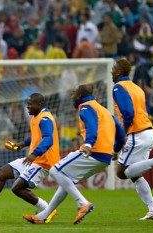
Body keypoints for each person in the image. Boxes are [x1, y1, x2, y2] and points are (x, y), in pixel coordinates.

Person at [22, 84, 125, 224]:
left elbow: (91, 127)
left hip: (92, 151)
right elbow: (120, 133)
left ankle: (82, 203)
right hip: (105, 156)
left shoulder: (86, 107)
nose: (72, 97)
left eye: (74, 94)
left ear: (80, 96)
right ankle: (43, 215)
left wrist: (89, 144)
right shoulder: (105, 110)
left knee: (54, 170)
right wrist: (115, 150)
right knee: (66, 180)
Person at [0, 93, 60, 222]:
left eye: (30, 104)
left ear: (40, 104)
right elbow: (37, 136)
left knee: (17, 188)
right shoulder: (37, 117)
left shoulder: (45, 119)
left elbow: (48, 139)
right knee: (2, 173)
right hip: (35, 159)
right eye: (27, 104)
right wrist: (21, 144)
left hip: (43, 162)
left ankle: (48, 210)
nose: (27, 107)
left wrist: (33, 154)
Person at [111, 58, 153, 220]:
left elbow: (128, 113)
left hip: (137, 132)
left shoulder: (118, 87)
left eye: (114, 68)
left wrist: (126, 132)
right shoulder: (137, 88)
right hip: (148, 130)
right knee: (135, 175)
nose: (112, 70)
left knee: (121, 173)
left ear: (119, 71)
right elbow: (145, 110)